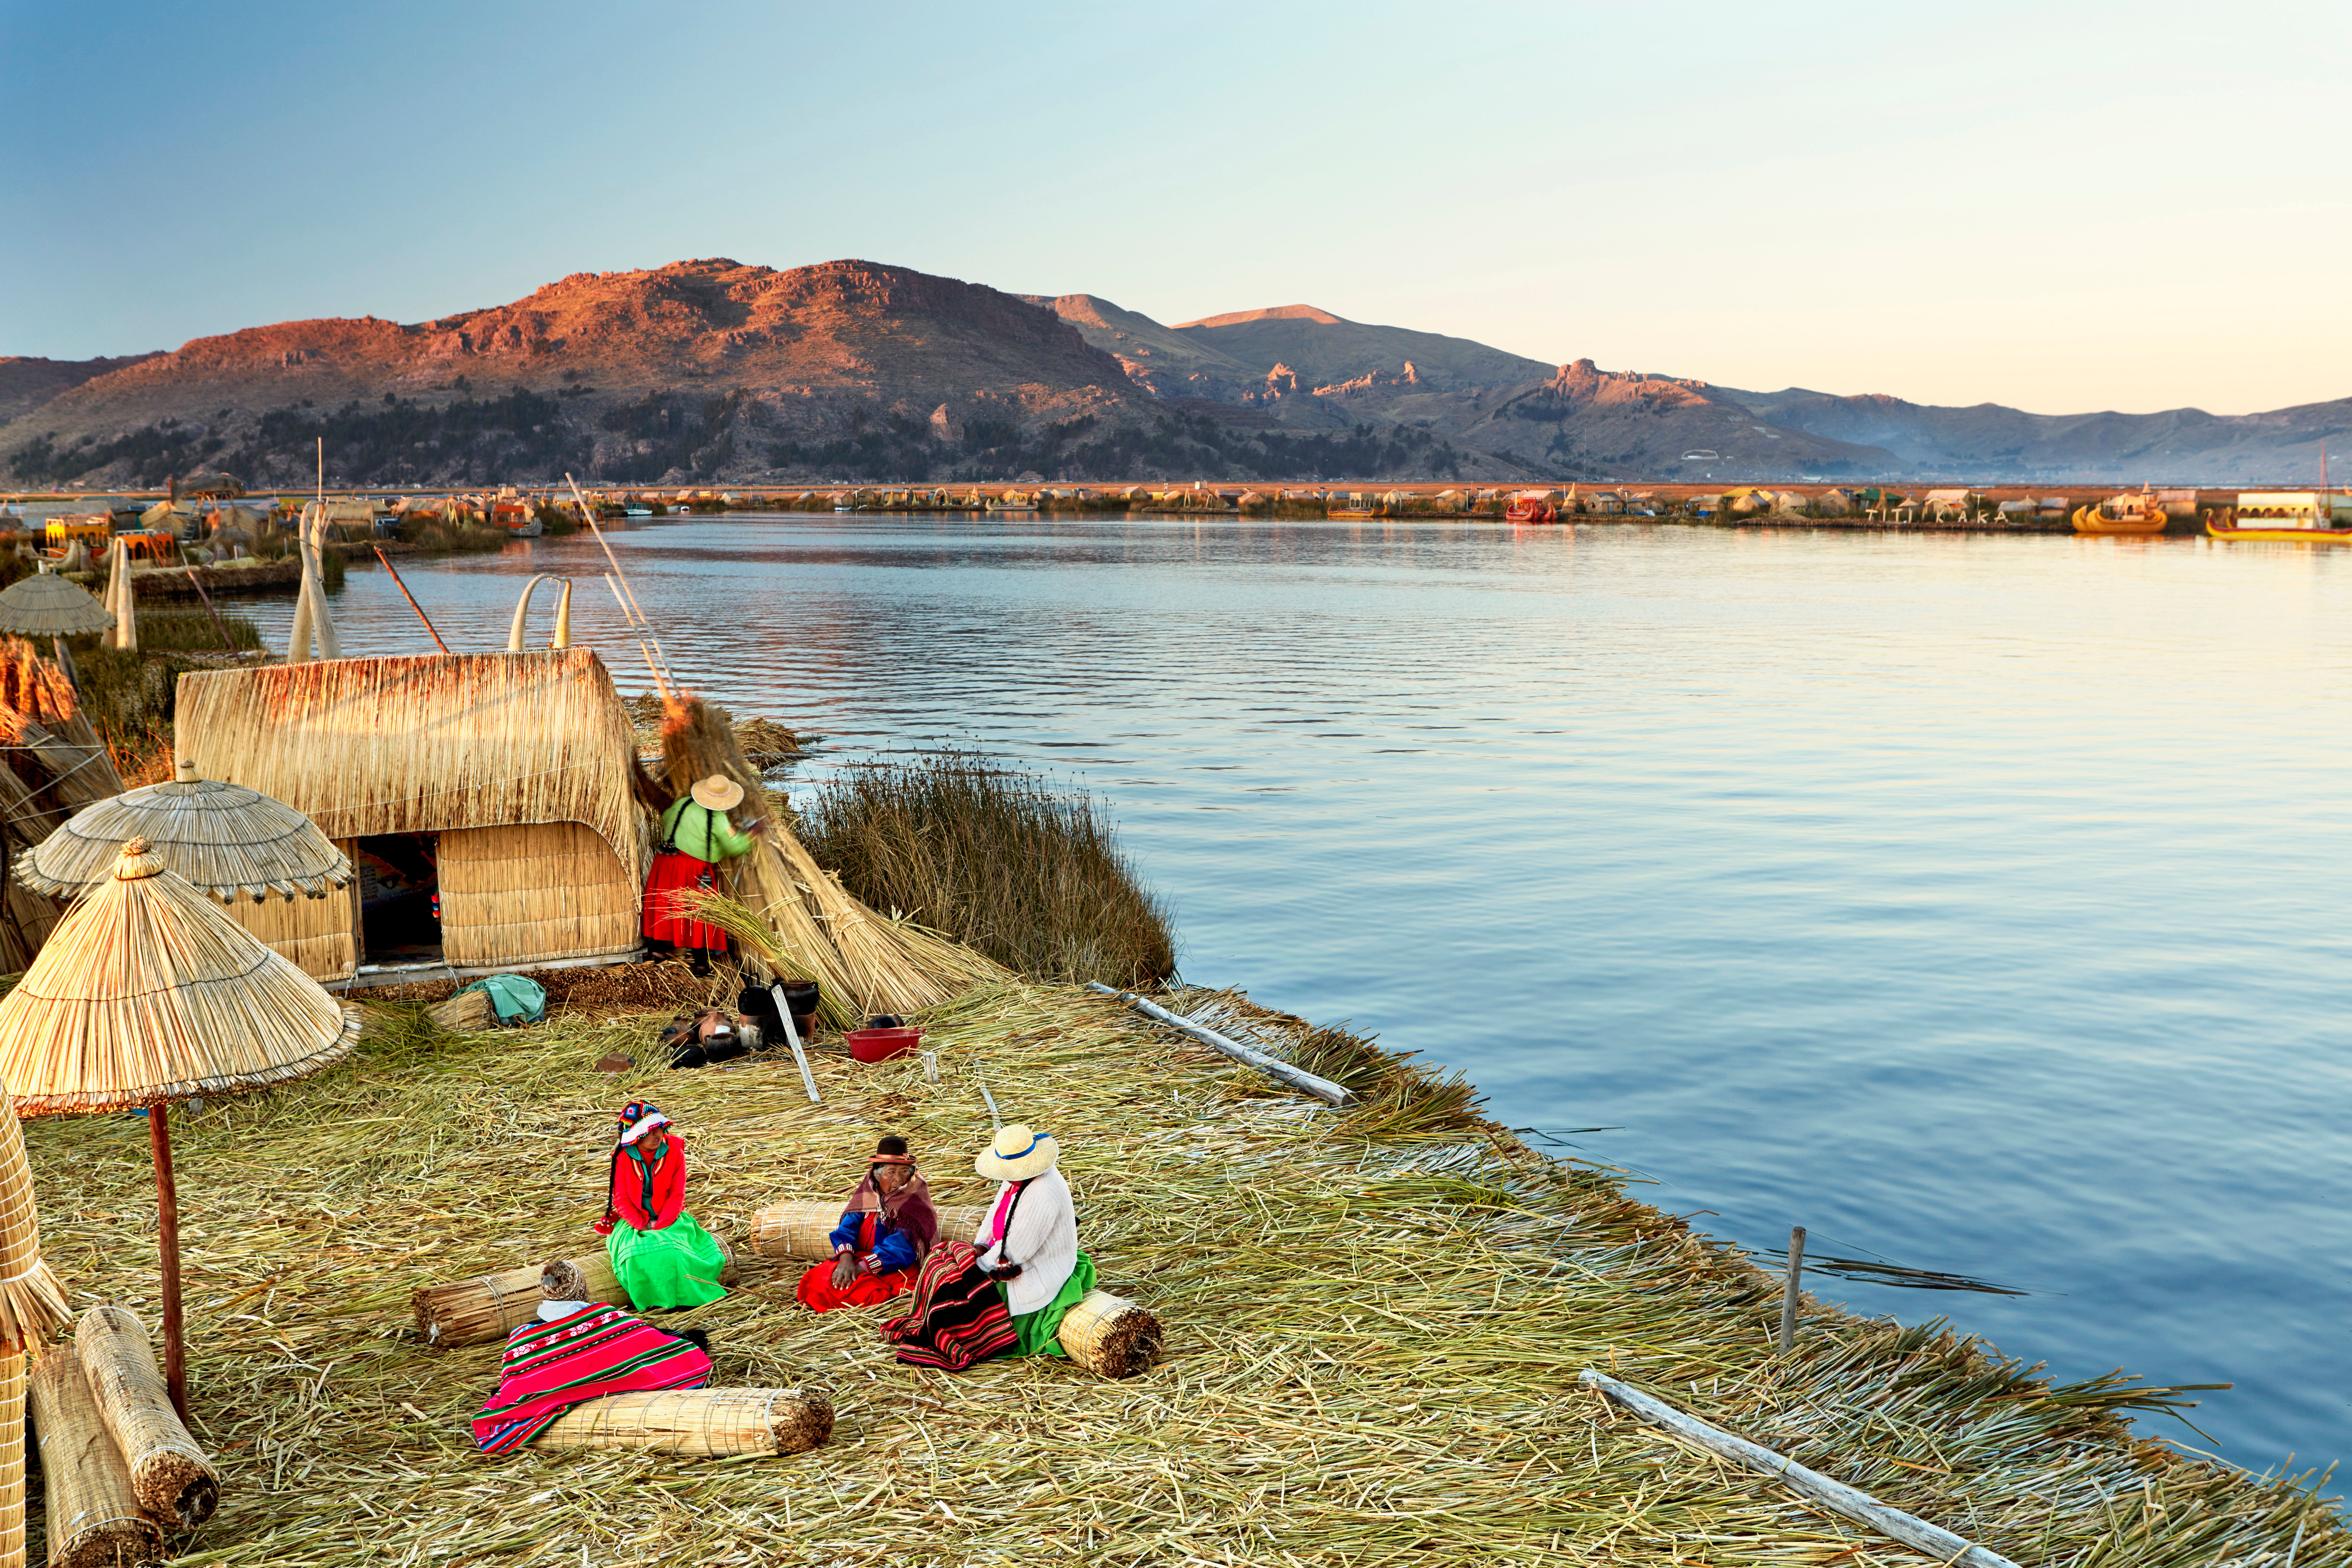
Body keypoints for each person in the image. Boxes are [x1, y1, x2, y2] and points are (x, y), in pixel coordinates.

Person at [881, 1123, 1096, 1371]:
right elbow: (994, 1212)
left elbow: (1017, 1250)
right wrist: (979, 1246)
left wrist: (975, 1267)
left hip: (1033, 1266)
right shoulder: (1017, 1176)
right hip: (1001, 1253)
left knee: (960, 1290)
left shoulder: (1043, 1191)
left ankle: (946, 1328)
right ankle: (926, 1319)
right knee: (939, 1261)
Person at [471, 1264, 712, 1454]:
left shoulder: (521, 1337)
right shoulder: (608, 1318)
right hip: (615, 1386)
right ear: (582, 1291)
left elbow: (514, 1384)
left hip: (549, 1395)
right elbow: (650, 1344)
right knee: (683, 1345)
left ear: (546, 1294)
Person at [595, 1101, 729, 1310]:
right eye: (650, 1131)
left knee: (675, 1252)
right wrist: (642, 1225)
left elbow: (677, 1194)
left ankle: (684, 1299)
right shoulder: (622, 1158)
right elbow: (621, 1199)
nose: (657, 1135)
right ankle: (654, 1303)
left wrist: (661, 1224)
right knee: (636, 1255)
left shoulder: (674, 1151)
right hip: (634, 1221)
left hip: (670, 1217)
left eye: (659, 1128)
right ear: (636, 1135)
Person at [796, 1135, 939, 1312]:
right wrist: (846, 1261)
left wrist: (859, 1269)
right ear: (877, 1175)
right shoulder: (869, 1195)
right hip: (859, 1260)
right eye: (891, 1172)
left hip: (894, 1268)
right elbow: (847, 1230)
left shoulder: (914, 1201)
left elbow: (901, 1249)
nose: (899, 1179)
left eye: (904, 1171)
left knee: (859, 1292)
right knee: (818, 1277)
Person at [642, 773, 762, 974]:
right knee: (700, 913)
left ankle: (657, 953)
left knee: (666, 907)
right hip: (693, 869)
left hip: (665, 863)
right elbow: (735, 847)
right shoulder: (717, 818)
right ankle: (700, 964)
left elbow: (668, 817)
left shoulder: (683, 804)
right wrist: (752, 833)